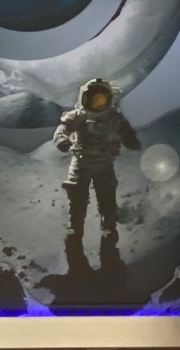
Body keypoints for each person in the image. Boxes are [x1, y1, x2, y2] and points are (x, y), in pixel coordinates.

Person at [53, 77, 141, 256]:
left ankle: (108, 228)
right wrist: (62, 140)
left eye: (102, 99)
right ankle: (75, 229)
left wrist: (131, 141)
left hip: (104, 164)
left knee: (107, 197)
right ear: (85, 99)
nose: (98, 103)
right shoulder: (80, 115)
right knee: (77, 196)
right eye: (95, 99)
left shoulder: (114, 118)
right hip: (81, 163)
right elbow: (63, 128)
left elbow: (125, 132)